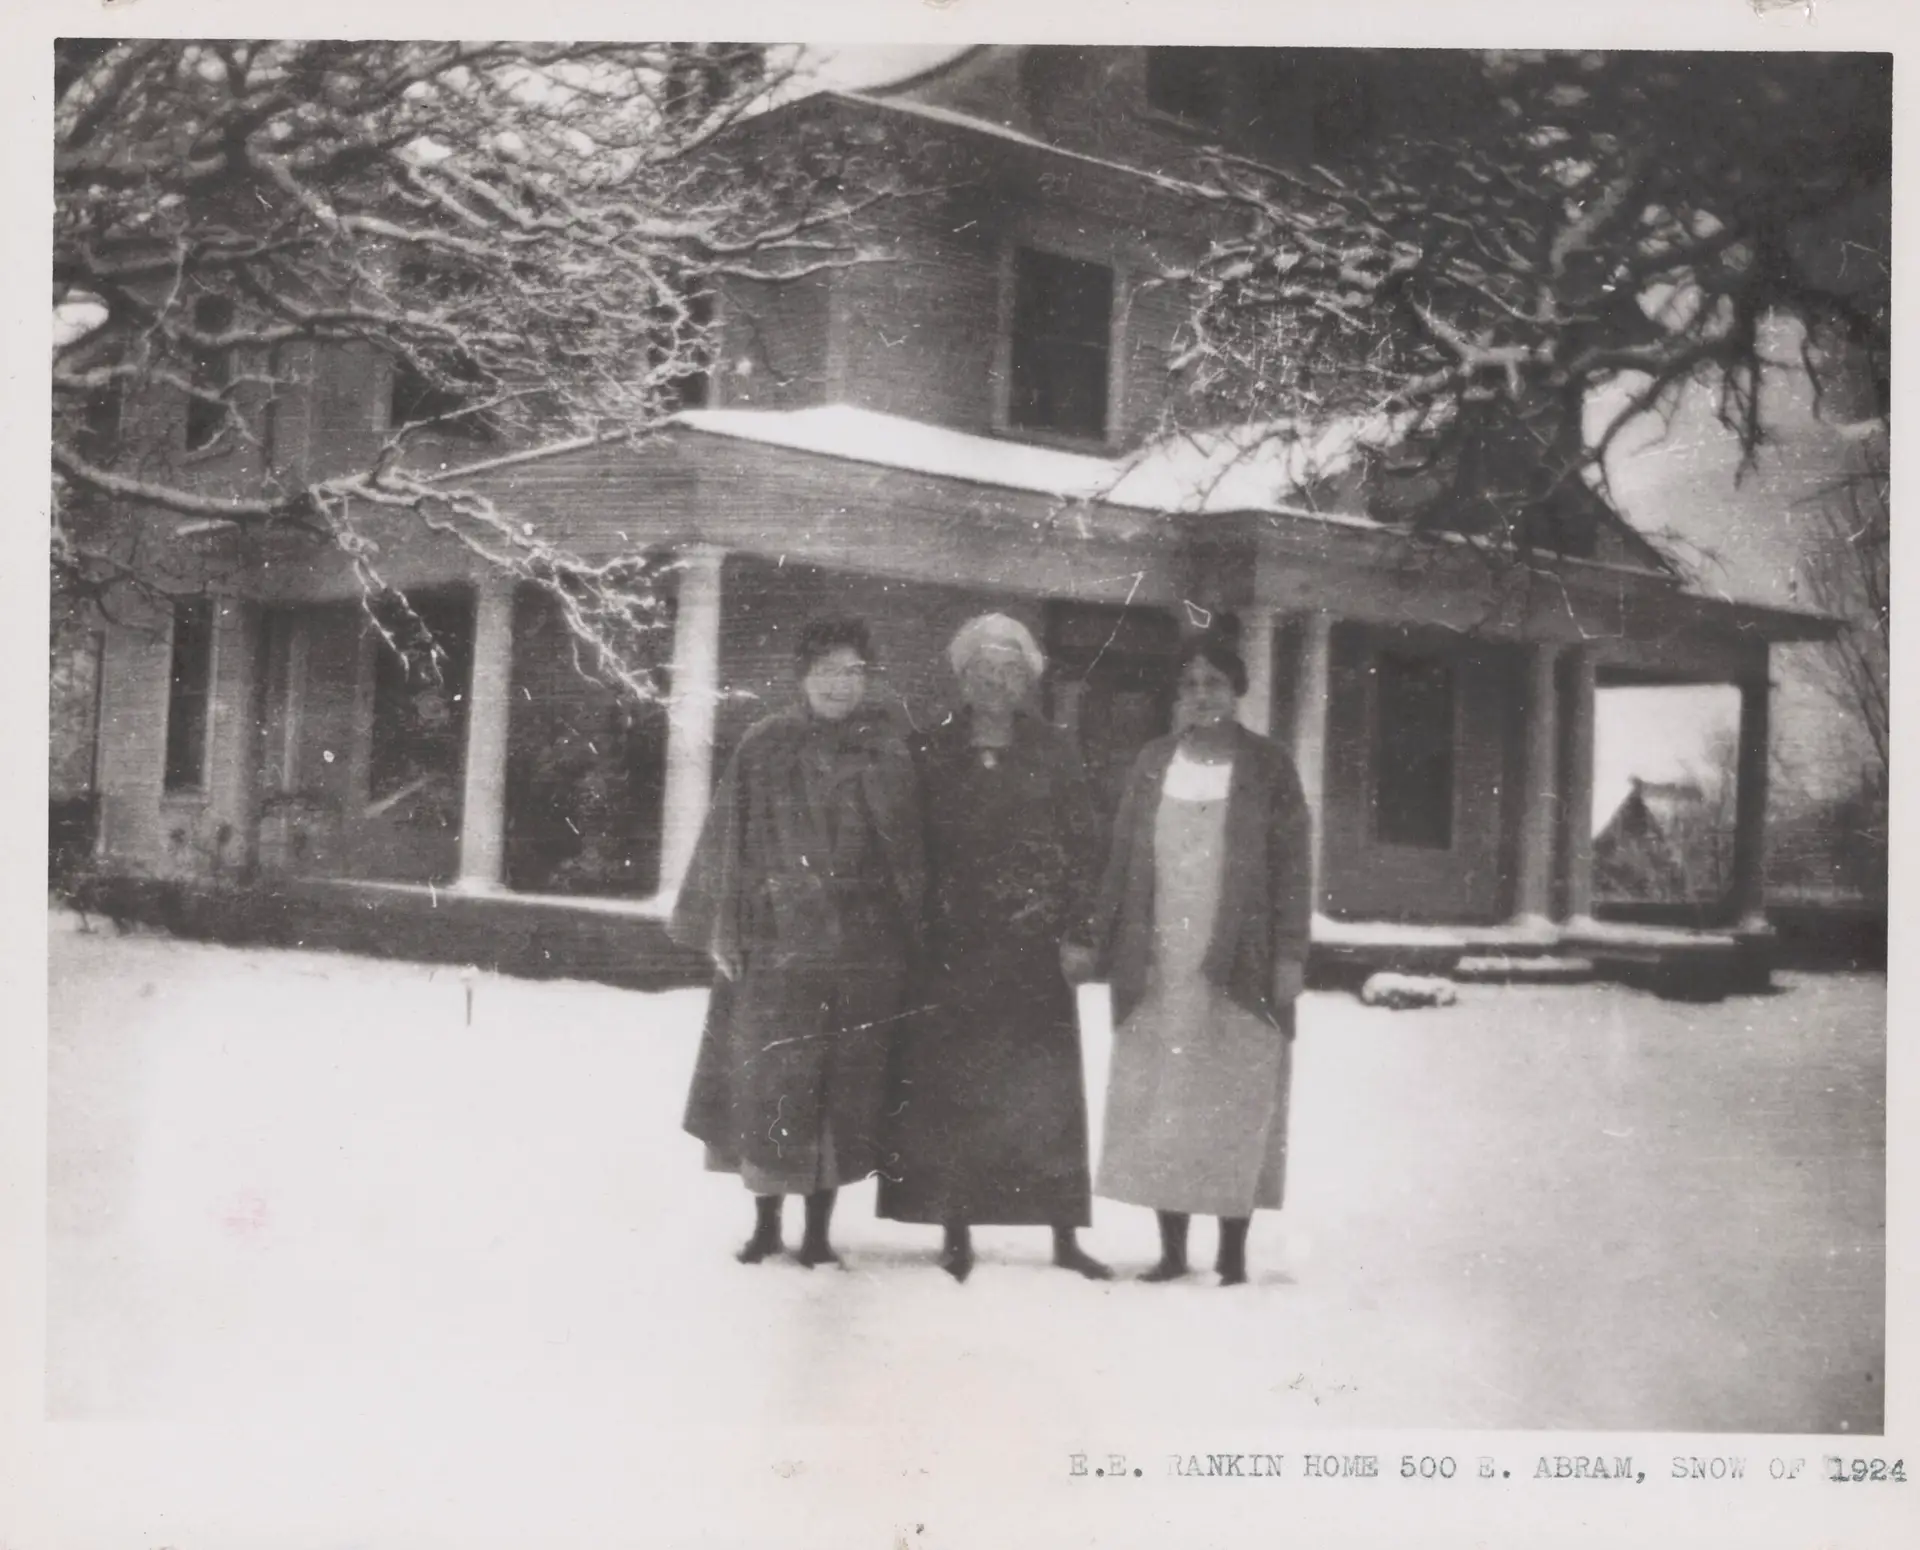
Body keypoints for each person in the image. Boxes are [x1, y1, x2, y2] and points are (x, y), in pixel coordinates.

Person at [669, 617, 924, 1269]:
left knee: (839, 1091)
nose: (842, 684)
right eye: (828, 671)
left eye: (854, 672)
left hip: (860, 950)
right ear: (802, 676)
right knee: (772, 1084)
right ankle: (765, 1226)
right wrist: (724, 926)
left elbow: (911, 853)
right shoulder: (766, 744)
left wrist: (907, 929)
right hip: (776, 942)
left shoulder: (889, 751)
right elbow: (728, 838)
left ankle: (818, 1233)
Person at [878, 614, 1110, 1283]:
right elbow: (906, 847)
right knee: (955, 1088)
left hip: (1034, 948)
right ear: (962, 677)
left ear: (1028, 679)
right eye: (984, 669)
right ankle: (956, 1231)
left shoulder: (1056, 749)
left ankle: (1064, 1235)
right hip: (952, 948)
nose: (997, 682)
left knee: (1045, 1096)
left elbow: (1085, 846)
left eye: (1011, 670)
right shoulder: (928, 749)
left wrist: (1080, 932)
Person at [1076, 631, 1312, 1286]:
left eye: (1214, 682)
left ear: (1237, 690)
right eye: (1189, 683)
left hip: (1243, 960)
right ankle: (1173, 1251)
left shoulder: (1269, 765)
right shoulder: (1154, 760)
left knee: (1235, 1098)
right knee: (1166, 1099)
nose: (1201, 694)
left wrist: (1291, 953)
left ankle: (1232, 1252)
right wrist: (1098, 938)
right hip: (1159, 961)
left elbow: (1294, 866)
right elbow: (1121, 858)